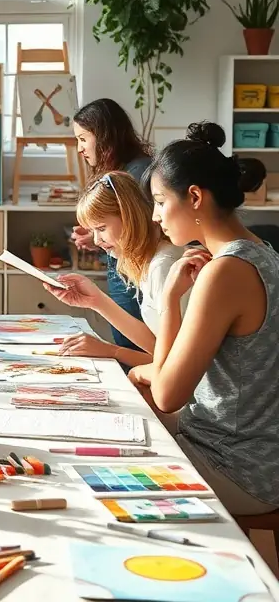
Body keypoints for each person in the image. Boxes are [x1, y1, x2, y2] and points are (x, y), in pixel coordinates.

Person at [129, 122, 278, 516]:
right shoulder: (265, 254)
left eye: (160, 201)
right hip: (258, 457)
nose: (156, 216)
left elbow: (167, 396)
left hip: (235, 466)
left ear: (194, 197)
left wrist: (172, 302)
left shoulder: (224, 271)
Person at [43, 171, 186, 368]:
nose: (96, 241)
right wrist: (95, 300)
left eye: (101, 228)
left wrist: (111, 351)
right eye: (92, 231)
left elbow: (176, 364)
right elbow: (160, 346)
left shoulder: (163, 265)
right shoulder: (148, 261)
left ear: (129, 217)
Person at [71, 99, 155, 351]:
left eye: (83, 139)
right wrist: (97, 234)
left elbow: (143, 230)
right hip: (126, 274)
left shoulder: (136, 173)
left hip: (134, 279)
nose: (79, 148)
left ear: (105, 135)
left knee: (136, 351)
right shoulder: (124, 168)